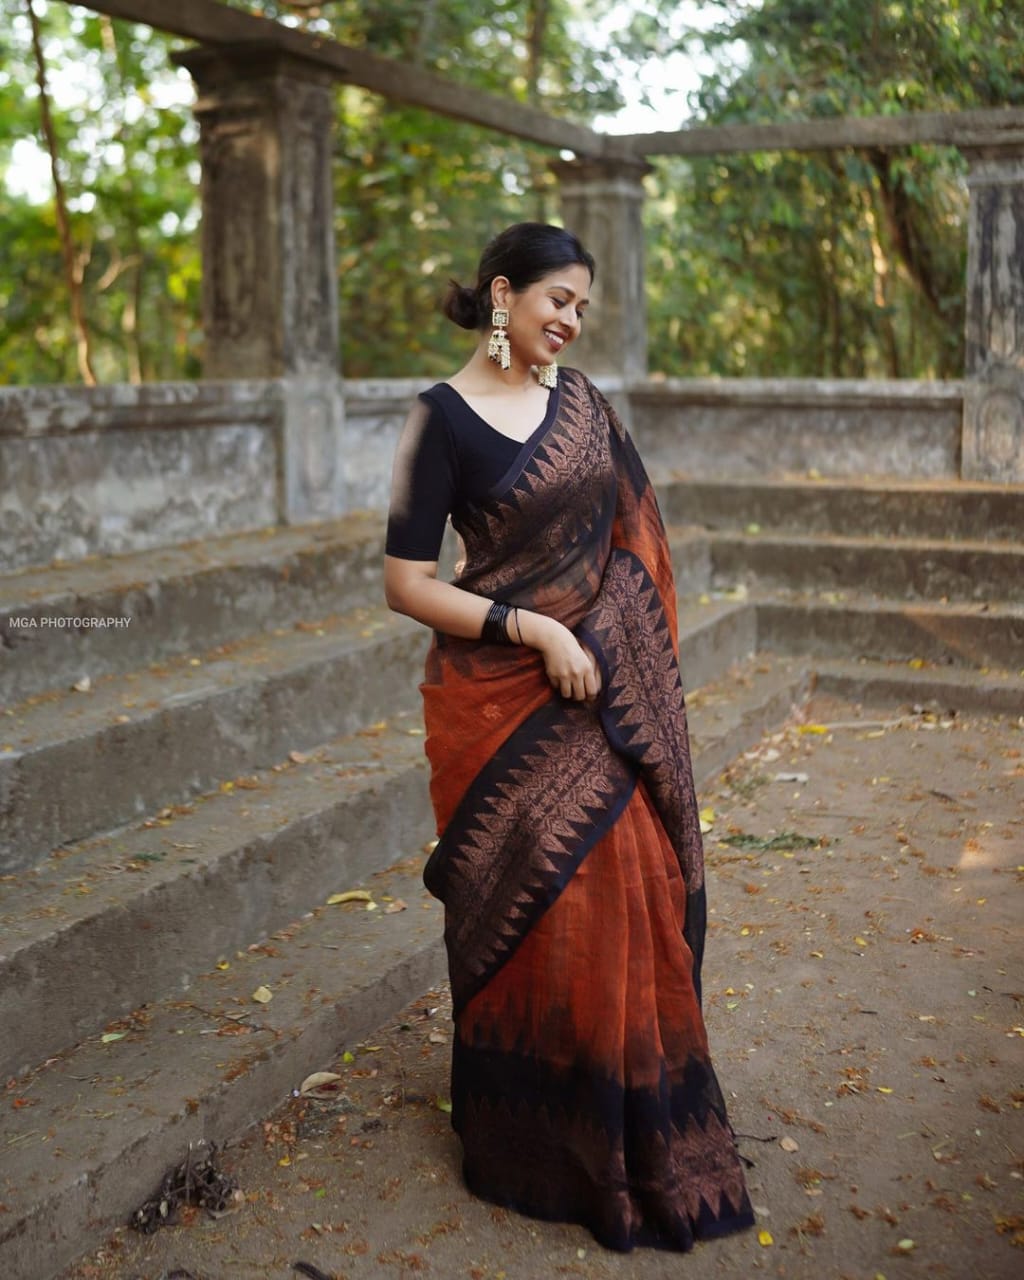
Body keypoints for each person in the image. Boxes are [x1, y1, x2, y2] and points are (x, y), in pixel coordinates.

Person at [384, 222, 754, 1253]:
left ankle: (639, 1134)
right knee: (535, 909)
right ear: (504, 294)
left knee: (630, 890)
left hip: (608, 688)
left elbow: (641, 545)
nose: (572, 321)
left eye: (583, 307)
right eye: (559, 299)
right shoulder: (438, 420)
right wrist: (535, 629)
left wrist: (598, 633)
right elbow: (406, 583)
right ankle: (536, 1141)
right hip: (501, 697)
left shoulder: (585, 407)